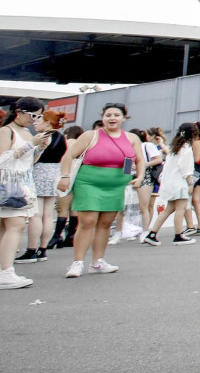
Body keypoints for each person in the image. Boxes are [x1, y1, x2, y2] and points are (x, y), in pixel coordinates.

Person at [55, 102, 146, 278]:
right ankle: (77, 262)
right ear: (103, 117)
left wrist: (140, 177)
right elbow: (69, 155)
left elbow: (140, 160)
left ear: (123, 118)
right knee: (87, 221)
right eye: (108, 115)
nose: (112, 118)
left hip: (116, 184)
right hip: (88, 182)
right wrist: (65, 176)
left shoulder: (132, 138)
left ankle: (97, 262)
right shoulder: (90, 135)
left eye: (116, 115)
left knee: (105, 223)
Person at [0, 97, 47, 289]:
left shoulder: (25, 132)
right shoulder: (6, 131)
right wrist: (30, 145)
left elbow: (28, 161)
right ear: (20, 112)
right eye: (34, 115)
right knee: (15, 225)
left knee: (4, 227)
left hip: (21, 183)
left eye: (39, 116)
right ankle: (6, 272)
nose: (35, 120)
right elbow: (0, 160)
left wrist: (38, 148)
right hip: (8, 183)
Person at [18, 109, 68, 264]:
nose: (35, 123)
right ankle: (43, 249)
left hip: (39, 173)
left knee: (36, 214)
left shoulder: (41, 137)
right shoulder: (61, 137)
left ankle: (31, 250)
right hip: (54, 174)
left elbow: (31, 157)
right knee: (47, 215)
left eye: (39, 120)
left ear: (47, 122)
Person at [143, 123, 200, 247]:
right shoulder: (186, 148)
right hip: (179, 183)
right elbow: (185, 167)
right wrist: (189, 180)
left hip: (170, 183)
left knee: (169, 209)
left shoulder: (175, 147)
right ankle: (178, 235)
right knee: (180, 209)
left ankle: (152, 234)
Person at [48, 125, 86, 250]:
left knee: (61, 208)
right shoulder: (84, 145)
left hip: (67, 176)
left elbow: (65, 158)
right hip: (79, 178)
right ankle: (70, 236)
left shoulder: (70, 142)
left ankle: (57, 236)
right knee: (73, 209)